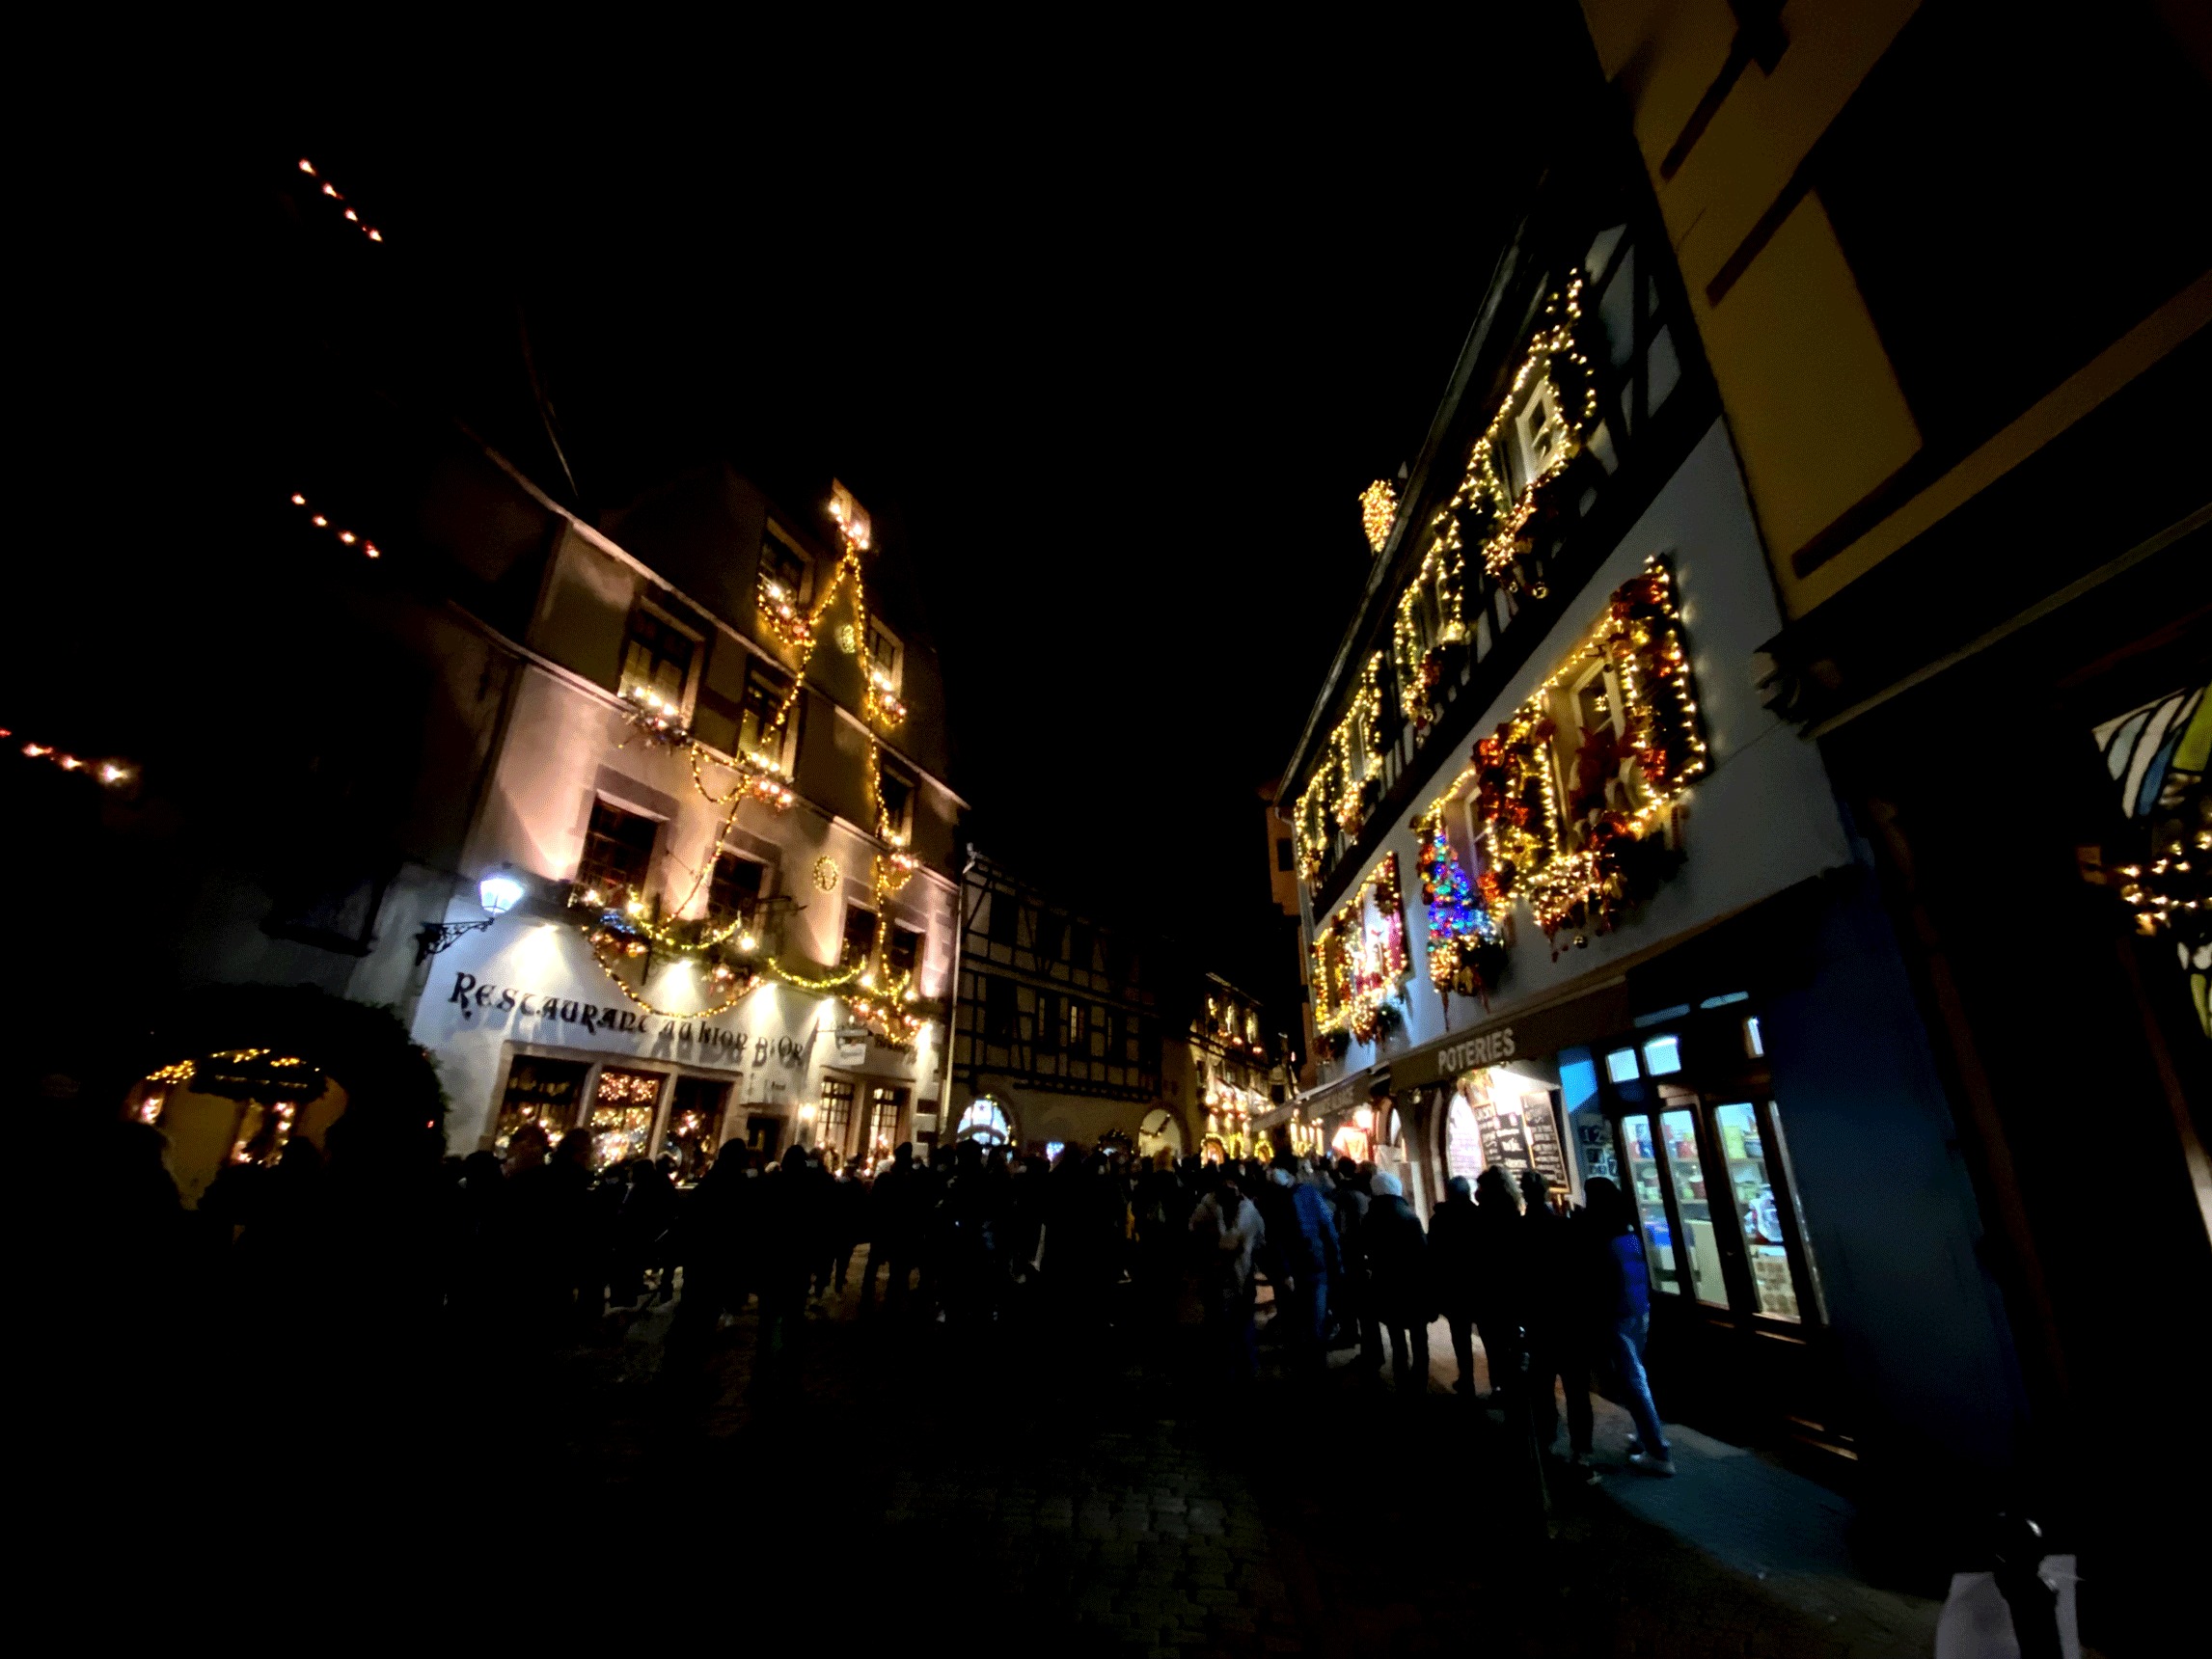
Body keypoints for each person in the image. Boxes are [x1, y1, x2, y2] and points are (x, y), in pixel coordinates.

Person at [1585, 1177, 1672, 1476]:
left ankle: (1659, 1452)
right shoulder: (1629, 1228)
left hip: (1619, 1314)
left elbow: (1601, 1280)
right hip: (1640, 1309)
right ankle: (1643, 1435)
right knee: (1637, 1376)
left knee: (1634, 1382)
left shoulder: (1601, 1234)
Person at [1520, 1167, 1596, 1479]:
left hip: (1538, 1321)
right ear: (1548, 1193)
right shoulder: (1564, 1227)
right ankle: (1582, 1451)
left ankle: (1547, 1441)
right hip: (1569, 1321)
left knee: (1541, 1387)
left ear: (1524, 1195)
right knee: (1577, 1389)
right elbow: (1581, 1274)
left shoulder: (1519, 1230)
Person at [1189, 1173, 1266, 1385]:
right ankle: (1227, 1370)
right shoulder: (1206, 1210)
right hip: (1218, 1275)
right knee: (1222, 1324)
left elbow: (1259, 1238)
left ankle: (1243, 1369)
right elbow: (1196, 1237)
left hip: (1240, 1272)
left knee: (1240, 1321)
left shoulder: (1246, 1210)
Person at [1269, 1155, 1341, 1373]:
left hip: (1311, 1266)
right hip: (1300, 1268)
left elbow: (1326, 1229)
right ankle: (1307, 1366)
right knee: (1301, 1321)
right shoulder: (1278, 1197)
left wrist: (1335, 1263)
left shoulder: (1300, 1195)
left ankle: (1315, 1368)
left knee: (1313, 1322)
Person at [1363, 1170, 1431, 1395]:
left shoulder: (1370, 1218)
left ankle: (1401, 1376)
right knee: (1419, 1335)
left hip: (1386, 1284)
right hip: (1412, 1285)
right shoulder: (1409, 1216)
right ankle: (1420, 1378)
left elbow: (1366, 1250)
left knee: (1396, 1335)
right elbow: (1423, 1254)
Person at [1471, 1165, 1526, 1406]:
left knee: (1493, 1344)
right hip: (1513, 1290)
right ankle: (1517, 1388)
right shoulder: (1514, 1215)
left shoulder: (1480, 1218)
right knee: (1512, 1342)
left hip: (1488, 1291)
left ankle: (1501, 1387)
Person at [1428, 1175, 1483, 1395]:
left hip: (1453, 1286)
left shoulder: (1439, 1219)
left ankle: (1466, 1379)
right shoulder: (1479, 1216)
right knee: (1489, 1338)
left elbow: (1433, 1256)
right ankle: (1499, 1383)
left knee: (1460, 1337)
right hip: (1478, 1284)